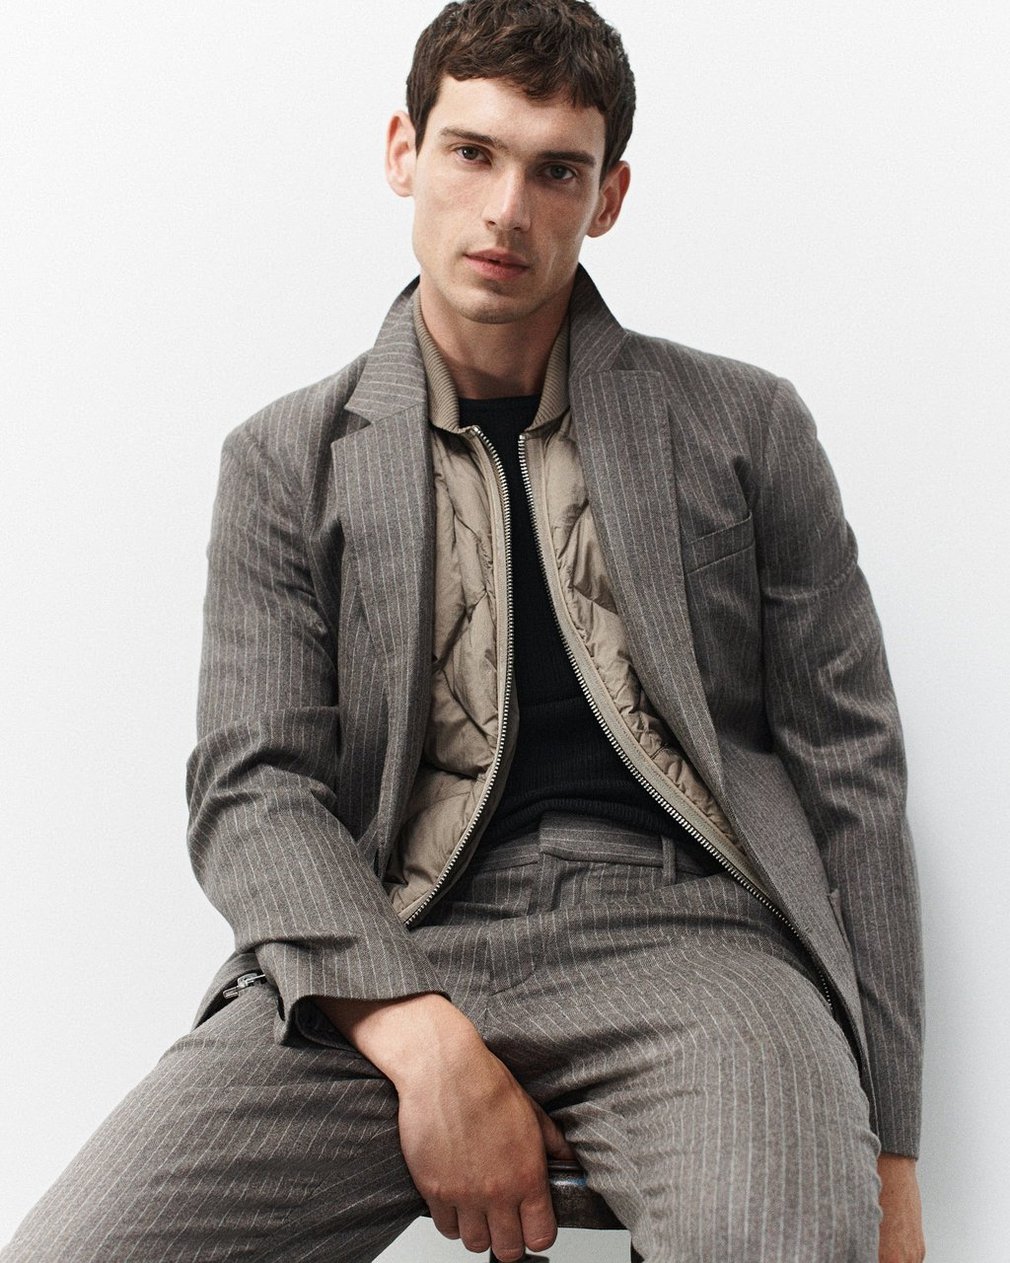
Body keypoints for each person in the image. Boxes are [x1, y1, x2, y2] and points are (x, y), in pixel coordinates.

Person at [2, 2, 925, 1260]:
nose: (506, 210)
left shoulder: (742, 425)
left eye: (555, 171)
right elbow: (251, 788)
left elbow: (850, 776)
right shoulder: (284, 459)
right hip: (388, 934)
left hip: (695, 942)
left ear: (606, 198)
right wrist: (412, 1029)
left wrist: (891, 1154)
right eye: (471, 153)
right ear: (403, 152)